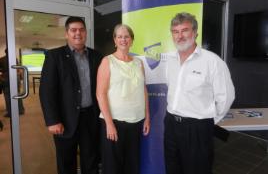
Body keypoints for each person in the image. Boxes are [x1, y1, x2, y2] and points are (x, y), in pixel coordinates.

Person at [164, 12, 235, 174]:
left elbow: (226, 97)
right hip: (171, 125)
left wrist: (208, 121)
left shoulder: (213, 61)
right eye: (175, 32)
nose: (180, 36)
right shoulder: (170, 61)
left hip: (197, 128)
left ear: (195, 33)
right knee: (172, 168)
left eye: (185, 30)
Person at [39, 16, 103, 174]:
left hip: (91, 118)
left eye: (81, 30)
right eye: (73, 30)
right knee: (66, 163)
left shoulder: (97, 57)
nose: (78, 33)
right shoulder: (55, 56)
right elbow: (46, 91)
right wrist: (52, 120)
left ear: (86, 33)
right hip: (64, 119)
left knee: (91, 160)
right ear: (66, 34)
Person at [96, 24, 150, 174]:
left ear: (132, 40)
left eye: (126, 36)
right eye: (119, 36)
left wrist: (147, 118)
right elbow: (100, 94)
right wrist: (109, 123)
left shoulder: (139, 63)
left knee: (132, 165)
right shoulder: (107, 62)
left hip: (136, 121)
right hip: (114, 122)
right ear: (114, 40)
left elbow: (143, 90)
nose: (123, 40)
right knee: (113, 167)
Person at [0, 48, 25, 117]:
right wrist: (20, 77)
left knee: (8, 96)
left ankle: (10, 112)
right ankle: (20, 110)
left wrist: (1, 76)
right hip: (15, 78)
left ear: (5, 52)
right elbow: (18, 69)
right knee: (17, 94)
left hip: (6, 79)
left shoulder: (1, 59)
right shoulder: (14, 59)